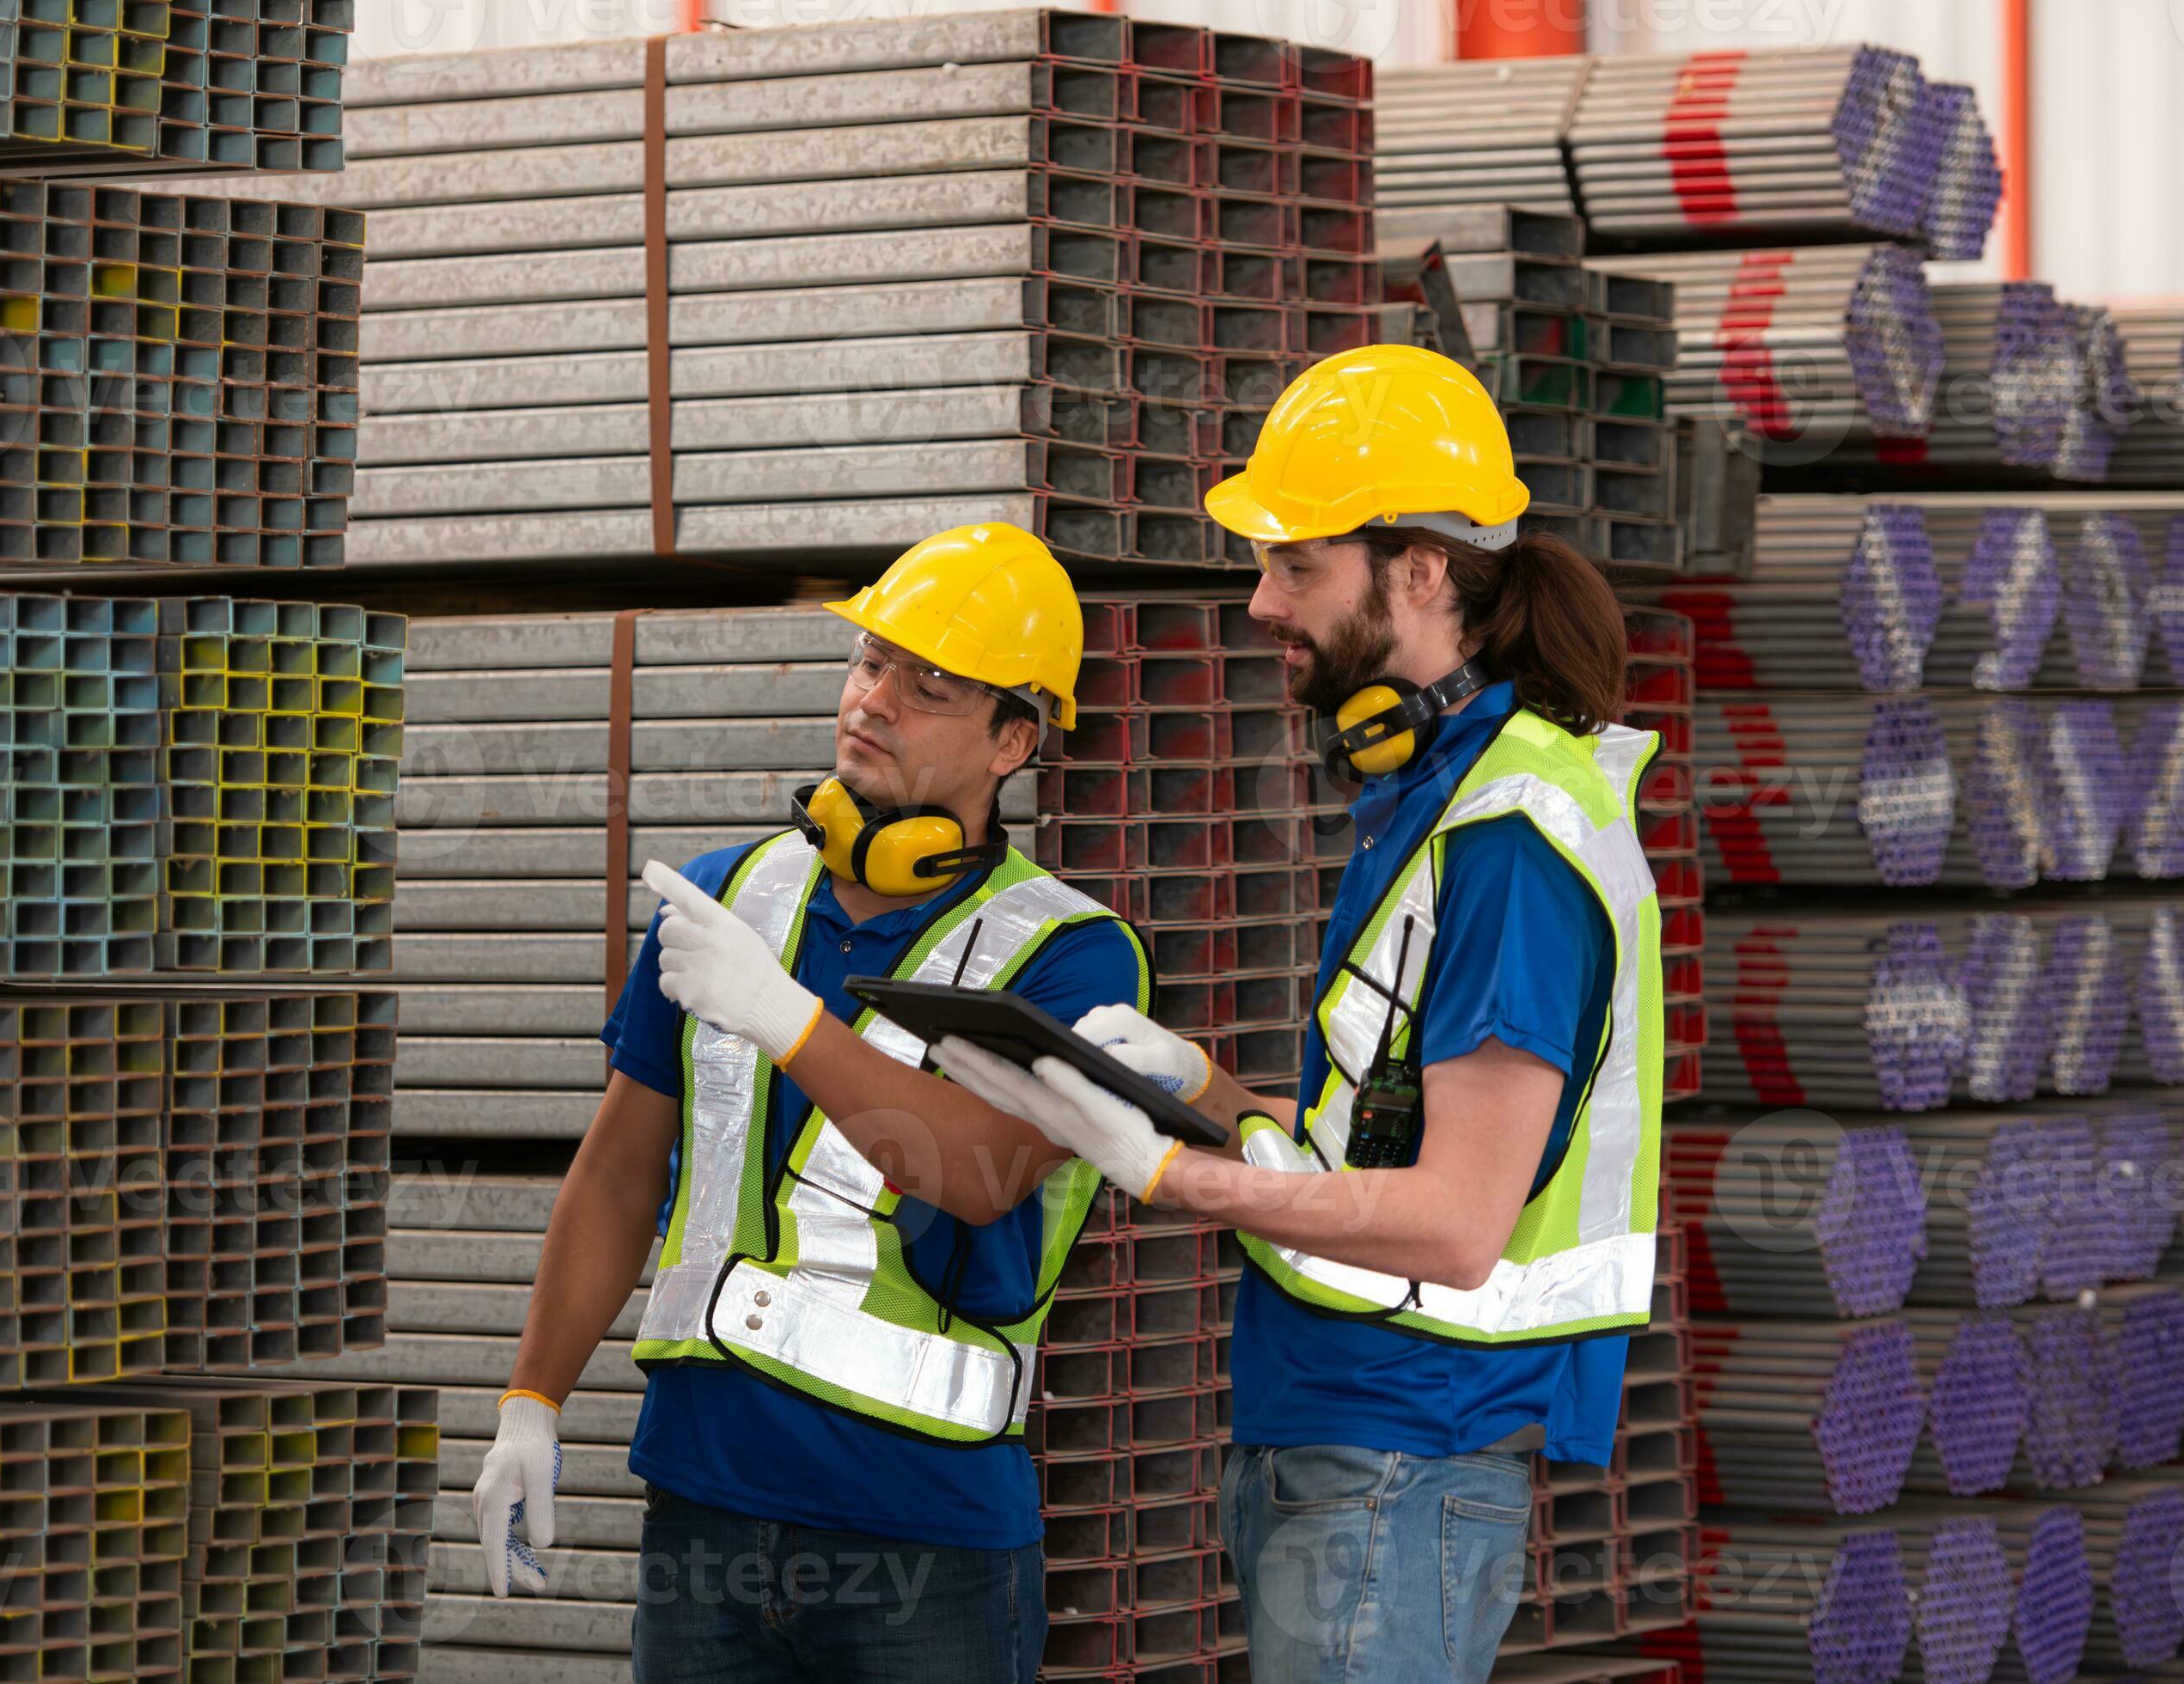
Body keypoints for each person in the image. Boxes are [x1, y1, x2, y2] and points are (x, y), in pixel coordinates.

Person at [936, 345, 1662, 1684]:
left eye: (1297, 566)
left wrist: (1178, 1176)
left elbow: (1452, 1221)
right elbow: (1378, 1153)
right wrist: (1201, 1088)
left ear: (1422, 570)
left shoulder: (1508, 845)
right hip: (1341, 1432)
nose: (1262, 603)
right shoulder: (1442, 802)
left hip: (1404, 1452)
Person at [470, 522, 1150, 1684]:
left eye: (929, 684)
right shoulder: (733, 894)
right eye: (871, 660)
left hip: (927, 1536)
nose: (875, 699)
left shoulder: (1076, 955)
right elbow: (621, 1172)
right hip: (703, 1509)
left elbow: (983, 1177)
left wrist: (786, 1020)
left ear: (1014, 740)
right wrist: (530, 1398)